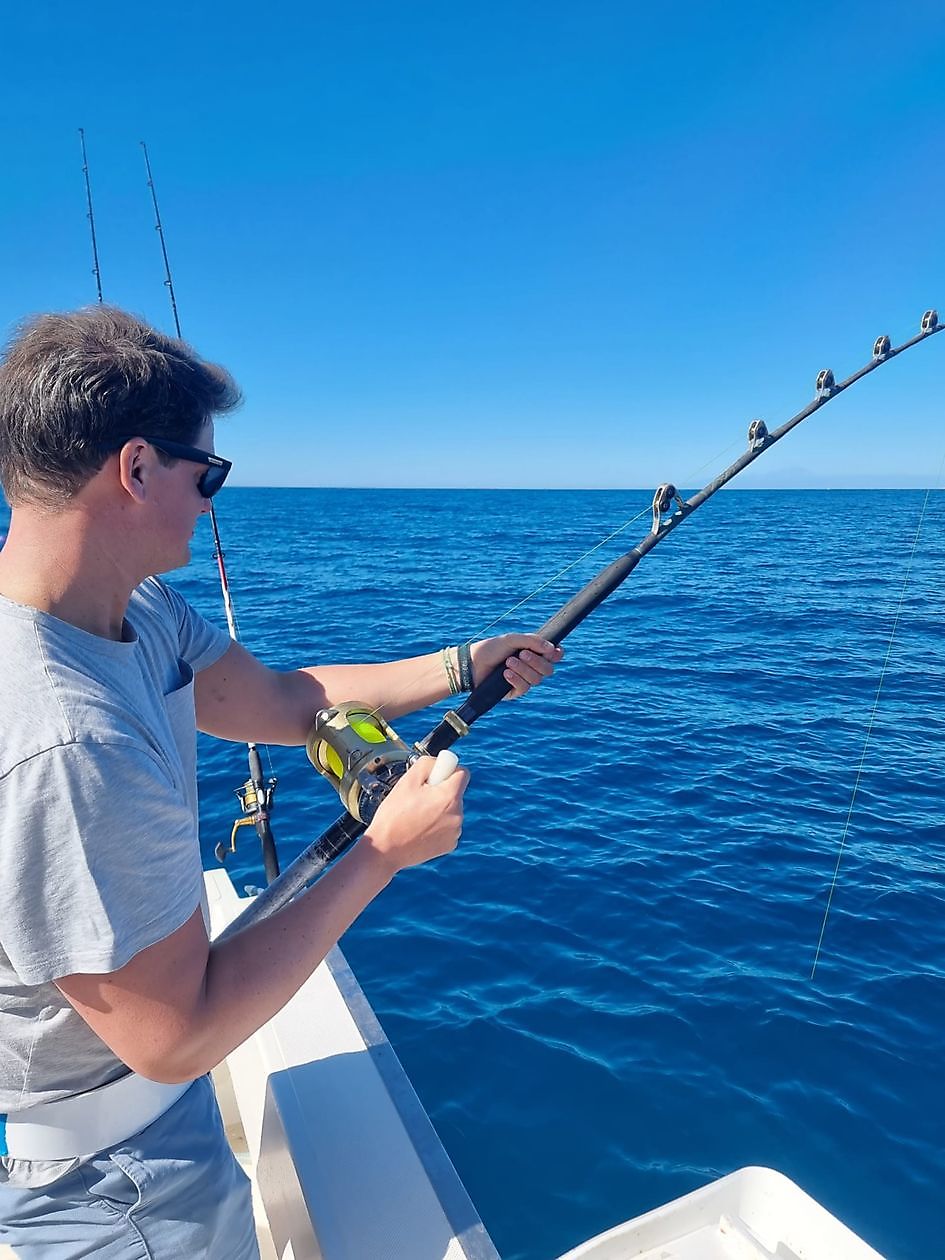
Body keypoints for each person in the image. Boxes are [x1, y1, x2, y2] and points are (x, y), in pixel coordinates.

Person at [0, 305, 562, 1258]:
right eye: (207, 473)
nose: (211, 501)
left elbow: (282, 699)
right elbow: (176, 1037)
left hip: (144, 1136)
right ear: (136, 470)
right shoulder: (67, 740)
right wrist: (383, 854)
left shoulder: (135, 609)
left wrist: (463, 664)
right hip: (108, 1188)